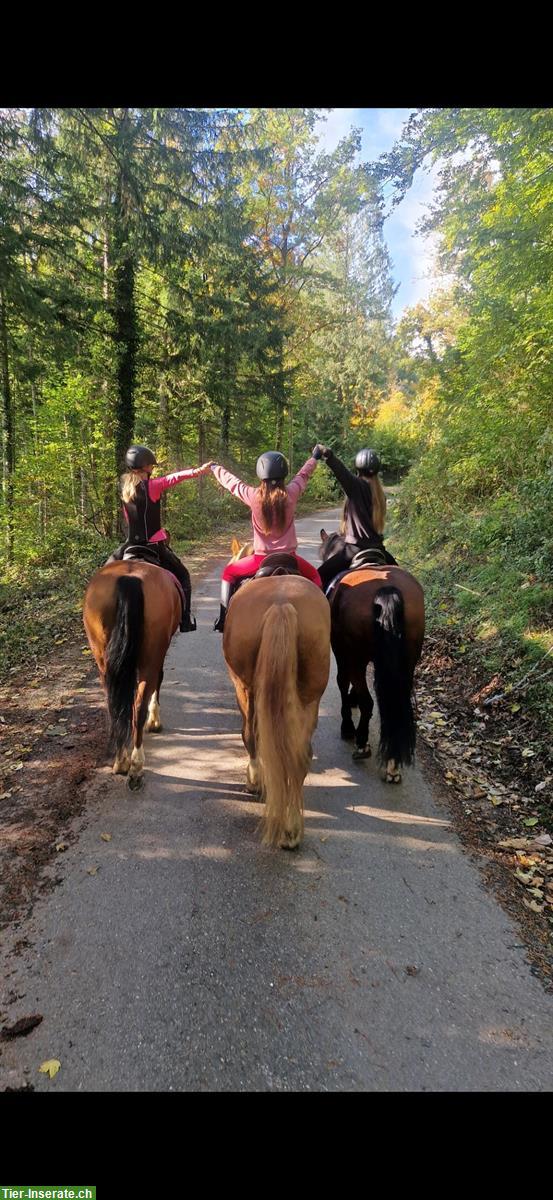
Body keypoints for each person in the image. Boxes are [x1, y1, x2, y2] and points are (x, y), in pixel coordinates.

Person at [209, 450, 323, 632]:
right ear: (284, 473)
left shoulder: (253, 496)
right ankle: (321, 620)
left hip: (260, 560)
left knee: (228, 573)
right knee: (316, 576)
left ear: (260, 475)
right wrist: (314, 457)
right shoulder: (291, 493)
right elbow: (303, 475)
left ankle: (223, 619)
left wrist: (216, 468)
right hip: (290, 559)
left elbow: (233, 483)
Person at [107, 445, 214, 632]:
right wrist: (198, 471)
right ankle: (185, 621)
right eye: (151, 465)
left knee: (105, 573)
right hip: (153, 545)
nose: (152, 468)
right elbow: (174, 477)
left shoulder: (125, 489)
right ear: (146, 467)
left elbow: (129, 520)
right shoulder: (153, 486)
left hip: (130, 545)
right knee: (184, 575)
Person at [313, 444, 397, 589]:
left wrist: (326, 453)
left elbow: (340, 470)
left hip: (353, 550)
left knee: (317, 578)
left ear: (358, 469)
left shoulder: (355, 486)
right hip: (379, 550)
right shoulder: (380, 495)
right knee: (401, 577)